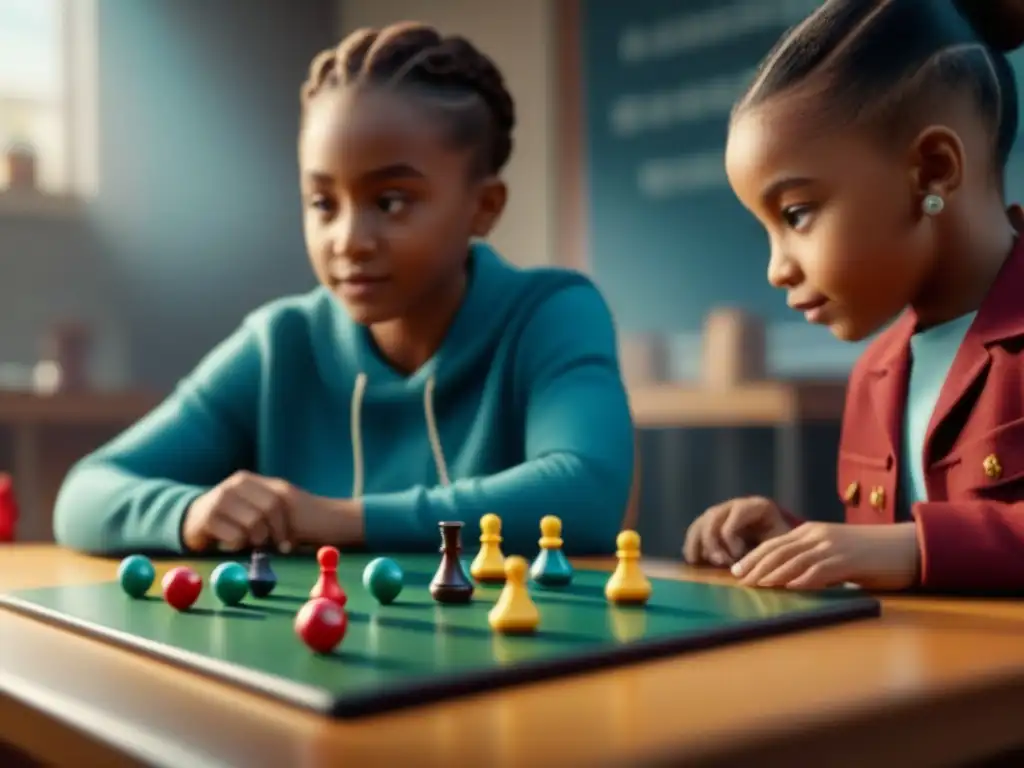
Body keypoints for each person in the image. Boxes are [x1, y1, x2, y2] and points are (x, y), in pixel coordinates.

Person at [53, 23, 635, 558]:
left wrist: (337, 519)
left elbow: (586, 492)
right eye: (322, 203)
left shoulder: (552, 313)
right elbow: (84, 494)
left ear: (483, 207)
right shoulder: (278, 345)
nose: (348, 240)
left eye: (391, 202)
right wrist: (189, 512)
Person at [684, 0, 1024, 592]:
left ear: (933, 171)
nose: (775, 270)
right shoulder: (875, 373)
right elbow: (893, 560)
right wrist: (797, 541)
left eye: (797, 213)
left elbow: (911, 549)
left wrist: (913, 547)